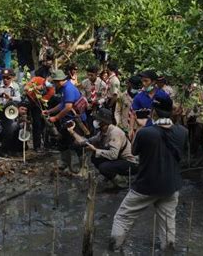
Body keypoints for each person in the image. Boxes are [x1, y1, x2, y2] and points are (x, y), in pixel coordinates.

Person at [110, 96, 187, 252]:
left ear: (153, 112)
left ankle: (114, 249)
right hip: (171, 186)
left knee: (122, 217)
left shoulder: (145, 133)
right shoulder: (183, 132)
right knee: (167, 225)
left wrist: (137, 130)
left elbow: (134, 151)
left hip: (145, 185)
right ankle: (168, 251)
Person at [67, 108, 138, 188]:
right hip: (119, 159)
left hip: (131, 163)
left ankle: (122, 183)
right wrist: (72, 132)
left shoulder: (115, 133)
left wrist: (95, 150)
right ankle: (112, 176)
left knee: (104, 167)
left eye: (98, 120)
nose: (95, 122)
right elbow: (86, 141)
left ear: (104, 122)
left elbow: (113, 155)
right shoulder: (102, 132)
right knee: (95, 158)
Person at [43, 69, 87, 170]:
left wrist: (56, 117)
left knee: (77, 144)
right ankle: (65, 163)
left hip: (75, 121)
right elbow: (61, 104)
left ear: (59, 81)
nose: (54, 84)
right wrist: (49, 111)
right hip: (67, 120)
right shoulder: (64, 88)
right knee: (63, 141)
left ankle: (83, 167)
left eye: (54, 82)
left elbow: (67, 107)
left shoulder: (68, 89)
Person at [129, 70, 170, 140]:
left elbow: (169, 113)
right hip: (144, 132)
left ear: (153, 82)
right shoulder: (138, 97)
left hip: (160, 132)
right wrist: (131, 129)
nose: (144, 83)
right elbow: (133, 113)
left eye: (146, 81)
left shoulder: (163, 96)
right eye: (142, 81)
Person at [25, 75, 55, 152]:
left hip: (40, 105)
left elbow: (44, 101)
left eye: (52, 82)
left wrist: (39, 95)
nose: (49, 83)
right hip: (30, 102)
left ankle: (44, 144)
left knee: (43, 124)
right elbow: (26, 88)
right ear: (47, 78)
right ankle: (36, 146)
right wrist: (34, 88)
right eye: (49, 80)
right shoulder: (37, 79)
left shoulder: (51, 90)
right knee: (35, 124)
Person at [80, 65, 107, 129]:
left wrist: (98, 102)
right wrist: (87, 103)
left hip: (98, 107)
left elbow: (105, 97)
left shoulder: (102, 84)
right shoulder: (84, 83)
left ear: (96, 74)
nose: (89, 77)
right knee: (88, 123)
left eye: (91, 75)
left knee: (98, 125)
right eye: (88, 75)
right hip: (87, 106)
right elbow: (82, 95)